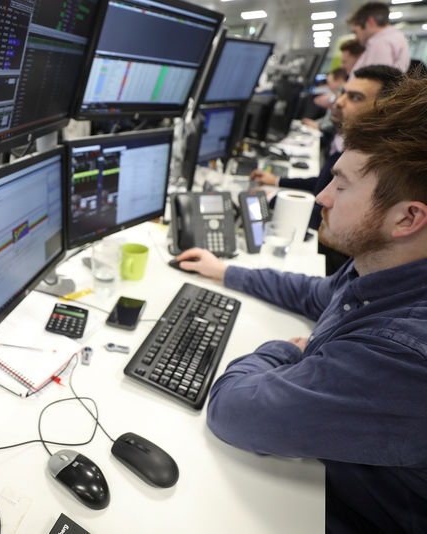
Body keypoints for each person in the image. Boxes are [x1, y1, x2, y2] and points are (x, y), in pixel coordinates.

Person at [174, 75, 427, 532]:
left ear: (407, 218)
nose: (321, 196)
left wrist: (289, 351)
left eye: (342, 186)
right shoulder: (390, 263)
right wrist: (225, 271)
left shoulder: (403, 354)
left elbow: (233, 411)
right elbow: (317, 294)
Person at [249, 65, 403, 236]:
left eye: (355, 98)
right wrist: (278, 181)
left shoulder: (372, 165)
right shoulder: (346, 146)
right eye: (343, 93)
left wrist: (271, 199)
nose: (338, 101)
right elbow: (322, 182)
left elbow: (326, 218)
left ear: (384, 111)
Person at [348, 2, 410, 73]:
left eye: (355, 32)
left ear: (371, 22)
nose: (356, 38)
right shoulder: (394, 37)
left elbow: (374, 79)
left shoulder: (381, 42)